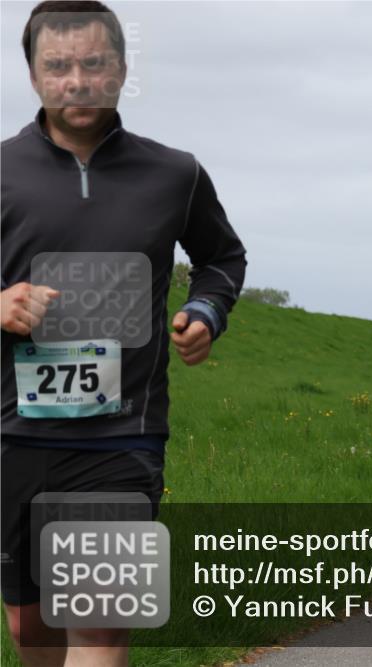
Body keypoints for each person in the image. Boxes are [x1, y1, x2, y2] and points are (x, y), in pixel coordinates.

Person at [1, 3, 247, 664]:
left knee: (101, 625)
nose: (77, 81)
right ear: (33, 76)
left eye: (94, 63)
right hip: (12, 434)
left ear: (121, 69)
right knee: (30, 630)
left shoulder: (175, 174)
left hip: (122, 436)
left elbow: (222, 258)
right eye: (58, 66)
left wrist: (206, 312)